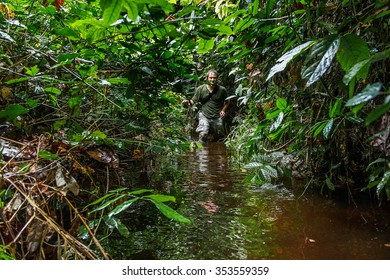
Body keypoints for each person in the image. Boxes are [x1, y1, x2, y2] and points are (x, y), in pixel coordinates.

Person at [182, 69, 230, 143]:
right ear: (207, 78)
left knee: (220, 137)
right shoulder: (200, 89)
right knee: (203, 134)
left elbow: (227, 102)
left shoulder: (222, 90)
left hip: (217, 116)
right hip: (204, 115)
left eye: (214, 78)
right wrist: (187, 102)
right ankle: (201, 153)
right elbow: (192, 102)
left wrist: (223, 111)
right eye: (210, 78)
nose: (212, 80)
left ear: (217, 79)